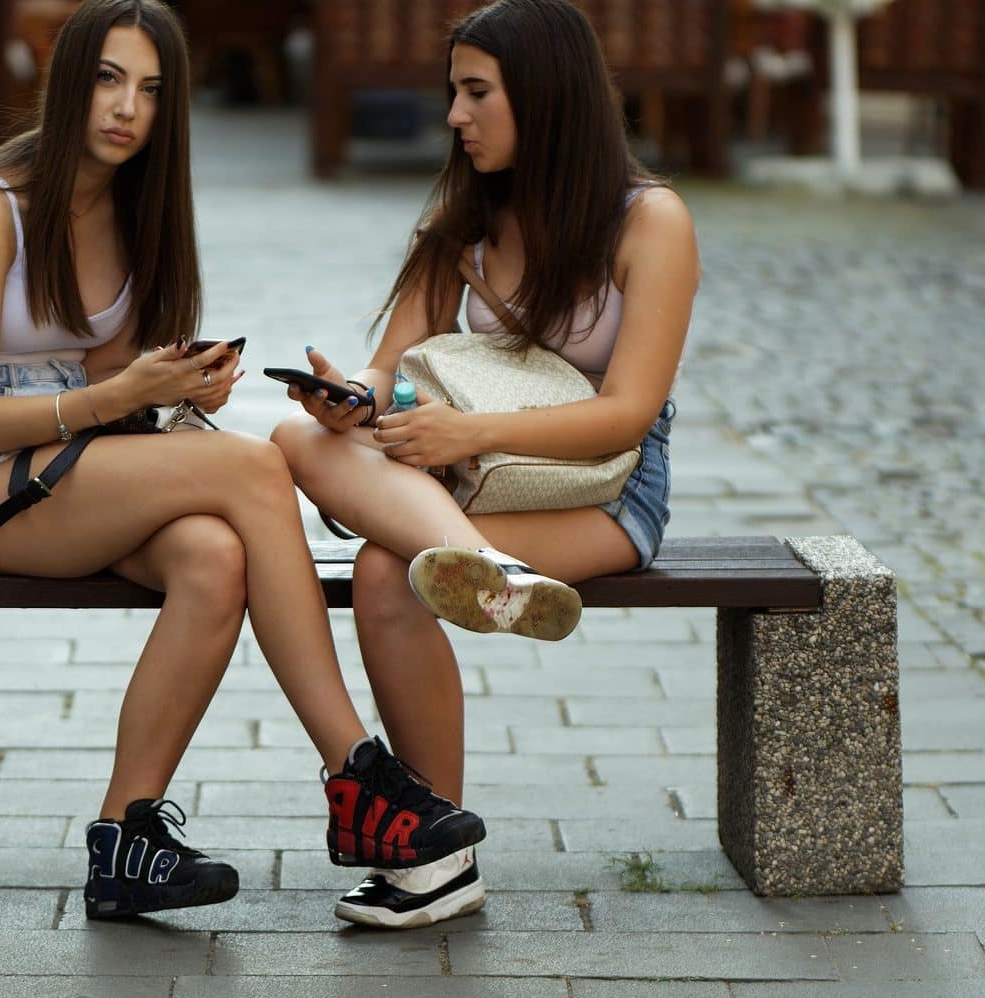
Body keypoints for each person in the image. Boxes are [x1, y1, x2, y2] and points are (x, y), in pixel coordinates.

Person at [0, 0, 484, 922]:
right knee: (259, 470)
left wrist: (171, 389)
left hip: (79, 474)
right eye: (107, 79)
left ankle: (124, 843)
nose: (125, 108)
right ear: (68, 85)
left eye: (149, 89)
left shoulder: (135, 211)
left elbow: (109, 380)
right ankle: (358, 777)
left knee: (216, 556)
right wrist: (118, 396)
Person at [272, 0, 699, 929]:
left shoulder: (649, 219)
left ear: (543, 96)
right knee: (292, 441)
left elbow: (626, 412)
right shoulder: (464, 218)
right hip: (468, 491)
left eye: (476, 93)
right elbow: (394, 367)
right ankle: (438, 848)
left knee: (390, 568)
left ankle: (438, 858)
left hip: (611, 490)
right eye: (453, 93)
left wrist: (471, 436)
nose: (455, 116)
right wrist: (355, 399)